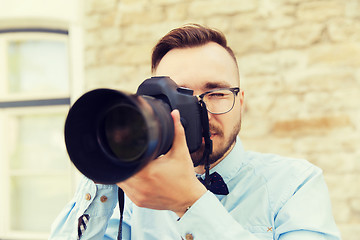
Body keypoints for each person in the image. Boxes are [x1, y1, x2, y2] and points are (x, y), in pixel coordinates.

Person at [50, 24, 341, 240]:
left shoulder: (294, 184)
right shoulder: (137, 193)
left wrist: (190, 202)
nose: (199, 112)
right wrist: (108, 162)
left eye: (216, 93)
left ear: (240, 102)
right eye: (180, 97)